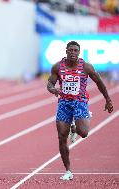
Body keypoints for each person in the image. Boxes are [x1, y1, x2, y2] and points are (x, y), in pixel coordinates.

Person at [47, 41, 113, 180]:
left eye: (75, 50)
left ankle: (75, 128)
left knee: (83, 133)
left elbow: (99, 82)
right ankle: (68, 171)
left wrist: (108, 99)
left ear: (79, 52)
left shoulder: (86, 67)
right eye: (70, 50)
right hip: (64, 103)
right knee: (61, 137)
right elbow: (50, 83)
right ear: (66, 51)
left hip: (80, 102)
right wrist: (53, 89)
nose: (72, 52)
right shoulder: (58, 67)